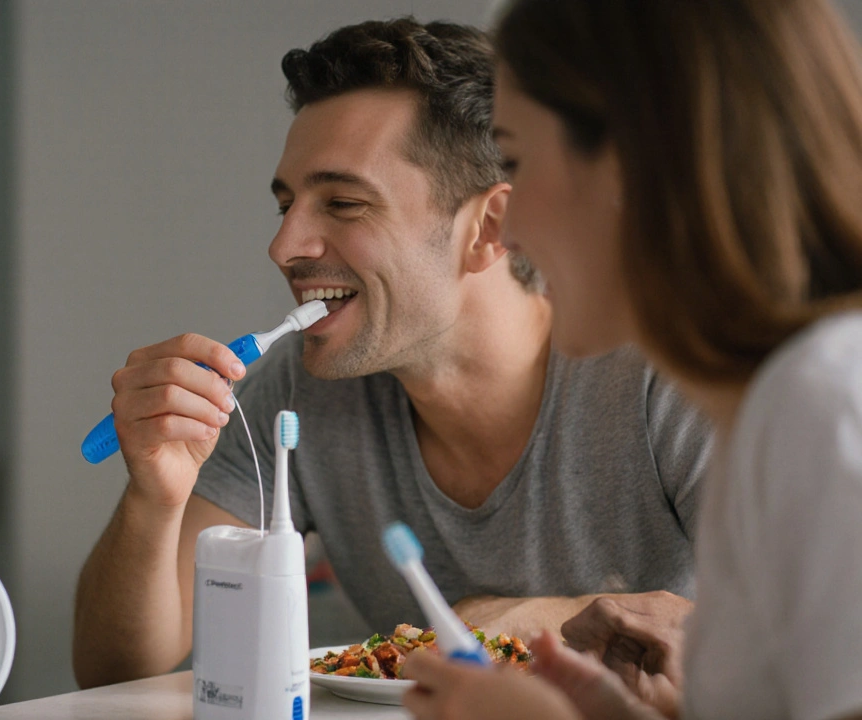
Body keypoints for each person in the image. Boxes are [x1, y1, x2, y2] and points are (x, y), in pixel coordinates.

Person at [73, 17, 711, 689]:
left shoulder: (668, 372)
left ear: (490, 228)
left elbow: (787, 627)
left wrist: (537, 619)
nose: (284, 247)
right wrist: (154, 497)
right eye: (287, 206)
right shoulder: (298, 393)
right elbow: (114, 669)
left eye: (344, 203)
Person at [402, 1, 862, 719]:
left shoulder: (822, 403)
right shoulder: (766, 409)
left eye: (517, 159)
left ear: (635, 160)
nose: (509, 232)